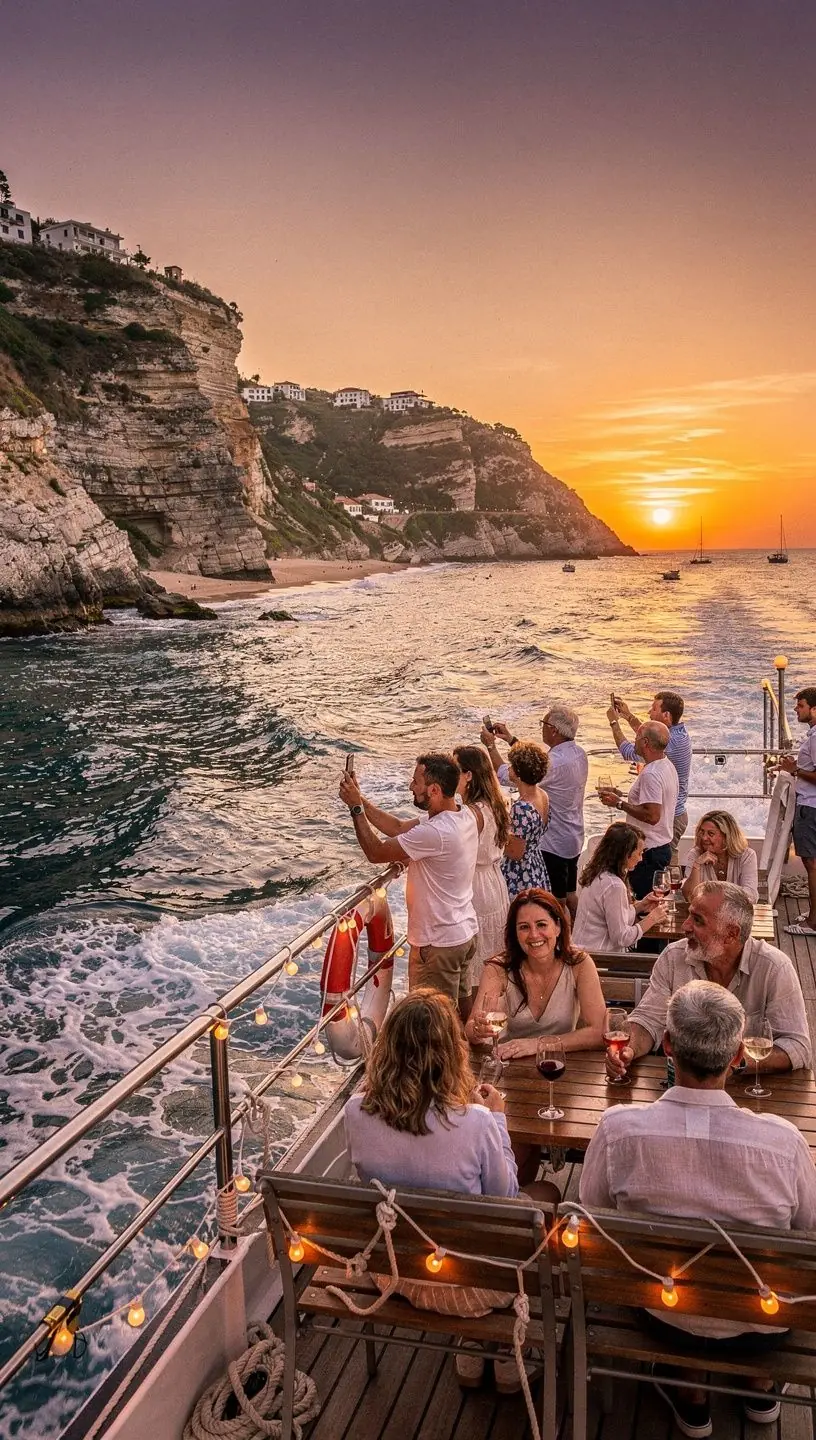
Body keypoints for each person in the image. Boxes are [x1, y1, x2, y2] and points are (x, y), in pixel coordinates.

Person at [581, 980, 816, 1435]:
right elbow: (809, 1234)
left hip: (661, 1313)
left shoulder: (618, 1131)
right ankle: (759, 1380)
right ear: (736, 1057)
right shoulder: (784, 1143)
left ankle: (690, 1390)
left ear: (668, 1046)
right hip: (763, 1322)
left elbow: (595, 1224)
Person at [343, 989, 523, 1392]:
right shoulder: (475, 1122)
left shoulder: (355, 1112)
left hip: (393, 1273)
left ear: (387, 1047)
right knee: (541, 1195)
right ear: (450, 1051)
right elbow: (506, 1196)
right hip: (471, 1286)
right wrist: (497, 1120)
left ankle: (474, 1343)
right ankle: (500, 1346)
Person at [606, 880, 811, 1082]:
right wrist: (629, 1049)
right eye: (689, 915)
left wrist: (735, 1064)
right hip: (680, 1088)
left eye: (698, 920)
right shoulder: (673, 957)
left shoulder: (773, 967)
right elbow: (648, 1021)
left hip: (752, 1096)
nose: (685, 926)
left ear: (731, 934)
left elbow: (798, 1047)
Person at [466, 888, 605, 1185]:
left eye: (541, 924)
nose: (534, 935)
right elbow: (474, 1030)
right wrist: (476, 1031)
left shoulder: (579, 964)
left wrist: (537, 1046)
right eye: (524, 927)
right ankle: (517, 1200)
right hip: (510, 1079)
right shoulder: (498, 968)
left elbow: (598, 1032)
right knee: (512, 1146)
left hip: (561, 1077)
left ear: (558, 925)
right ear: (514, 933)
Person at [338, 753, 478, 1015]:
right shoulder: (462, 815)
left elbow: (376, 852)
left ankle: (449, 1057)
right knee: (460, 1015)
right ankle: (467, 1055)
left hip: (438, 943)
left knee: (433, 1025)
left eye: (416, 782)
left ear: (434, 790)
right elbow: (398, 827)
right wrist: (360, 798)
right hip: (463, 933)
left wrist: (355, 809)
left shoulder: (436, 832)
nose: (410, 787)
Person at [482, 704, 587, 915]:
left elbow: (507, 775)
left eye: (544, 724)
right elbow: (535, 763)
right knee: (570, 893)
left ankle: (563, 941)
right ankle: (578, 933)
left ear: (554, 730)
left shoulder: (555, 763)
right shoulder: (578, 754)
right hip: (573, 836)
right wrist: (511, 740)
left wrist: (491, 747)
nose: (542, 728)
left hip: (554, 844)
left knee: (557, 904)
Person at [598, 721, 679, 899]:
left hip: (648, 852)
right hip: (660, 847)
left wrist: (619, 803)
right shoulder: (667, 765)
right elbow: (652, 801)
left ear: (645, 743)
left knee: (646, 904)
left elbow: (652, 815)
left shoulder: (651, 773)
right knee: (652, 902)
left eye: (636, 738)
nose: (633, 741)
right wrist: (622, 795)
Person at [452, 745, 510, 992]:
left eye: (455, 769)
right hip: (495, 883)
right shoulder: (496, 804)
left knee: (475, 969)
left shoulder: (471, 813)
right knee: (491, 958)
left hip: (476, 887)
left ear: (468, 775)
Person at [608, 689, 692, 856]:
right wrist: (628, 715)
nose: (649, 712)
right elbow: (649, 734)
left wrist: (614, 723)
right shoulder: (677, 734)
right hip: (674, 812)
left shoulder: (667, 748)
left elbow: (628, 751)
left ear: (666, 716)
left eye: (654, 709)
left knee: (662, 869)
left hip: (668, 818)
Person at [573, 822, 668, 952]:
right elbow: (621, 938)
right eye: (639, 853)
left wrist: (640, 906)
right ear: (625, 853)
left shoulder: (597, 874)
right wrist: (652, 918)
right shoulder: (614, 886)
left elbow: (612, 917)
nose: (641, 859)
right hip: (601, 959)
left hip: (584, 951)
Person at [782, 686, 816, 936]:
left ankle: (814, 921)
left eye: (801, 705)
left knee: (812, 863)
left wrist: (795, 770)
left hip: (810, 807)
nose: (796, 709)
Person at [499, 742, 551, 899]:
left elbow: (516, 853)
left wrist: (498, 830)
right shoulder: (542, 794)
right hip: (536, 864)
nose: (508, 768)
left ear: (519, 773)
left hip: (520, 873)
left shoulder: (521, 807)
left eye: (511, 766)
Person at [681, 810, 759, 904]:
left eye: (710, 833)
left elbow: (750, 896)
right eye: (702, 832)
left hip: (735, 915)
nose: (704, 838)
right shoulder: (696, 854)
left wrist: (713, 899)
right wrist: (696, 865)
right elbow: (689, 897)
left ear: (726, 837)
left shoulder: (747, 856)